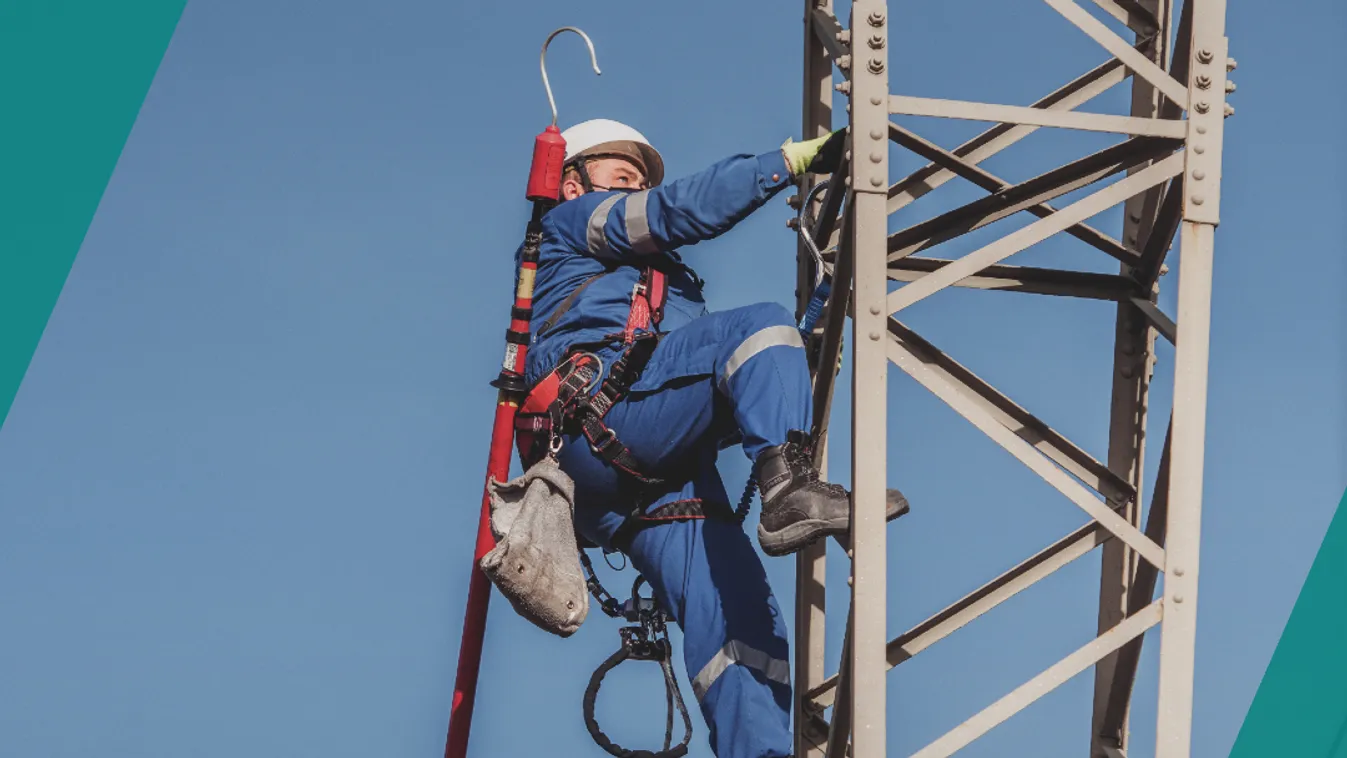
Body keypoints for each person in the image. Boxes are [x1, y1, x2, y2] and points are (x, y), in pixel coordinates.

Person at [514, 119, 907, 758]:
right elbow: (674, 212)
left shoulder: (667, 290)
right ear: (570, 184)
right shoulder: (571, 225)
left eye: (638, 179)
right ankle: (789, 489)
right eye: (621, 177)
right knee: (758, 327)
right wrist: (789, 161)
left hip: (638, 474)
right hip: (602, 422)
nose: (634, 186)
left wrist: (822, 310)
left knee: (742, 623)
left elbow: (717, 382)